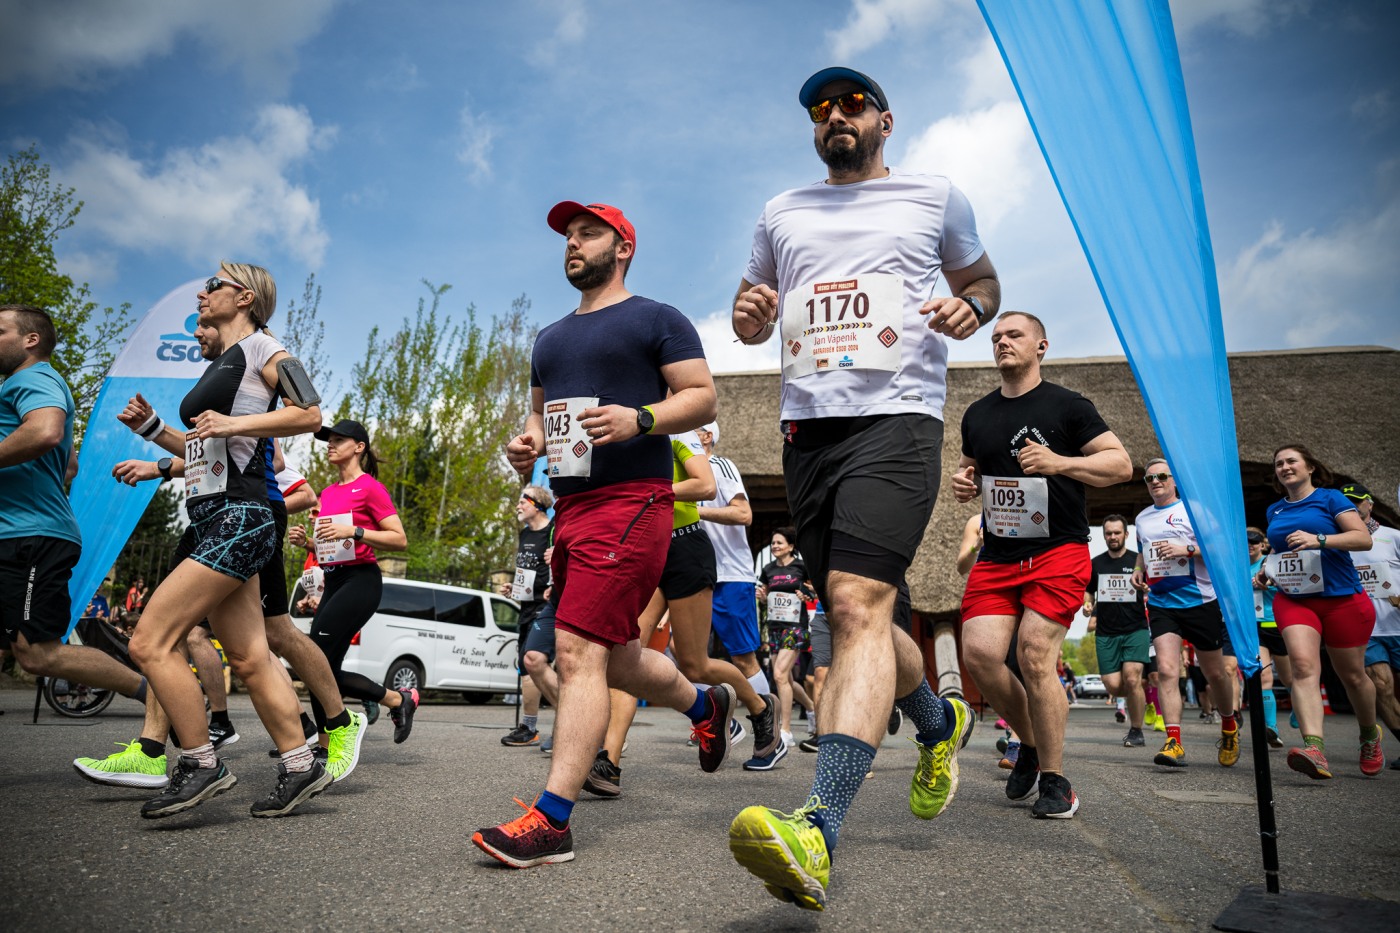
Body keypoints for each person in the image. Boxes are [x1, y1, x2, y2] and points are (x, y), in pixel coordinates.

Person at [726, 67, 991, 910]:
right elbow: (750, 304)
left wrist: (970, 310)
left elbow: (982, 282)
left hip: (897, 418)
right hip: (808, 431)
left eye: (850, 104)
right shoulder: (782, 210)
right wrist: (749, 316)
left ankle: (819, 825)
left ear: (884, 119)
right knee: (872, 612)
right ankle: (936, 719)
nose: (834, 116)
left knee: (854, 604)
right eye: (819, 108)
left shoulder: (935, 194)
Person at [473, 200, 725, 869]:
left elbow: (701, 396)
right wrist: (524, 447)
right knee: (614, 655)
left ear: (624, 247)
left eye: (589, 233)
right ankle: (704, 703)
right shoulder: (549, 339)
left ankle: (552, 820)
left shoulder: (656, 318)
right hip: (572, 506)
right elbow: (537, 418)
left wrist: (640, 418)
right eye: (567, 235)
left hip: (634, 502)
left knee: (577, 649)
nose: (573, 243)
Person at [119, 264, 331, 818]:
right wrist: (154, 446)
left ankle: (200, 762)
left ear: (242, 297)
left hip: (240, 517)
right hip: (221, 513)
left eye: (211, 286)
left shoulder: (265, 349)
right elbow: (208, 452)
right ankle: (301, 763)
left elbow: (310, 413)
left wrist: (232, 427)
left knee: (150, 641)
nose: (201, 293)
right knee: (248, 654)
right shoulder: (226, 364)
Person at [955, 311, 1132, 819]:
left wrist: (1060, 463)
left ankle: (1056, 780)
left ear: (1041, 346)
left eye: (1013, 335)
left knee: (1034, 655)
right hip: (999, 553)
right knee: (982, 656)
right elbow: (973, 471)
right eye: (996, 337)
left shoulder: (1068, 406)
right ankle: (1029, 744)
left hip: (1057, 550)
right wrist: (964, 483)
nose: (1002, 342)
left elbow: (1120, 464)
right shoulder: (978, 413)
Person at [0, 305, 153, 719]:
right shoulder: (24, 385)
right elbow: (69, 466)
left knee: (39, 654)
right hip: (18, 531)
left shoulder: (33, 377)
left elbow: (47, 431)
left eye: (0, 331)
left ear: (30, 340)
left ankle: (159, 696)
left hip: (30, 537)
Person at [288, 419, 416, 746]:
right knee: (319, 666)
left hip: (361, 581)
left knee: (314, 658)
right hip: (334, 579)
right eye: (328, 440)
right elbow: (335, 547)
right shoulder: (329, 493)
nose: (330, 444)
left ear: (359, 447)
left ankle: (394, 700)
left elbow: (399, 539)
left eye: (339, 440)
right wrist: (309, 544)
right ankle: (327, 743)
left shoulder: (371, 488)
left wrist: (356, 531)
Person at [1261, 448, 1382, 777]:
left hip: (1341, 598)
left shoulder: (1330, 499)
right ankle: (1314, 748)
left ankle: (1370, 735)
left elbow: (1362, 539)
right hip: (1295, 598)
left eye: (1291, 462)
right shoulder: (1275, 510)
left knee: (1353, 676)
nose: (1284, 467)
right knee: (1302, 666)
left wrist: (1320, 539)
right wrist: (1269, 570)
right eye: (1279, 464)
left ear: (1310, 467)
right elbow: (1281, 551)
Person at [1131, 458, 1242, 770]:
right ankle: (1174, 741)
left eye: (1162, 476)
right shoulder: (1142, 518)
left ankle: (1229, 724)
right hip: (1162, 601)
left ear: (1174, 479)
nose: (1155, 482)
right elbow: (1143, 548)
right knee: (1166, 670)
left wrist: (1187, 551)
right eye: (1149, 478)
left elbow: (1222, 551)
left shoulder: (1195, 510)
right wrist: (1138, 569)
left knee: (1215, 674)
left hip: (1200, 600)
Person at [696, 421, 783, 767]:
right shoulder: (680, 472)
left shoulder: (720, 466)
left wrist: (695, 509)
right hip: (698, 574)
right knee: (682, 654)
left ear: (706, 436)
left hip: (731, 576)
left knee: (743, 659)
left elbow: (744, 514)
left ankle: (768, 730)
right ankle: (725, 723)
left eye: (693, 429)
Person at [1343, 483, 1400, 770]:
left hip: (1398, 624)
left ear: (1370, 504)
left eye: (1356, 501)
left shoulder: (1393, 537)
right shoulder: (1338, 542)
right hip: (1369, 628)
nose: (1351, 506)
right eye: (1346, 502)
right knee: (1381, 686)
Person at [1086, 515, 1150, 747]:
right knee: (1114, 685)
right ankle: (1140, 697)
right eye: (1108, 533)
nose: (1113, 537)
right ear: (1104, 535)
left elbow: (1151, 587)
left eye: (1117, 533)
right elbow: (1088, 591)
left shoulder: (1137, 561)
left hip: (1135, 629)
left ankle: (1136, 730)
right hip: (1106, 632)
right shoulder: (1096, 563)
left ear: (1126, 534)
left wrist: (1146, 588)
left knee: (1132, 678)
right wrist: (1086, 604)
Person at [500, 486, 556, 748]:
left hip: (547, 606)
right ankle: (530, 728)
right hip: (526, 605)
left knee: (536, 664)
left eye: (523, 501)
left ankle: (564, 725)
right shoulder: (524, 534)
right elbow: (526, 571)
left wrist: (553, 585)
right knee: (526, 667)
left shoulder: (553, 529)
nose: (518, 506)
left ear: (538, 505)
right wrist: (515, 587)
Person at [756, 527, 816, 752]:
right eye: (773, 543)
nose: (775, 547)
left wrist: (806, 594)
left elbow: (814, 592)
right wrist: (763, 598)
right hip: (774, 628)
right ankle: (810, 707)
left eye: (779, 543)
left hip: (795, 628)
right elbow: (766, 599)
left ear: (791, 546)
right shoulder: (768, 570)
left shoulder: (801, 567)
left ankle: (786, 731)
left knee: (780, 675)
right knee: (786, 679)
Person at [1248, 526, 1289, 748]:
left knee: (1290, 677)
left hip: (1277, 623)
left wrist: (1269, 582)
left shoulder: (1271, 560)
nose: (1249, 546)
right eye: (1245, 542)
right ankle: (1271, 728)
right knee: (1264, 677)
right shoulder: (1237, 565)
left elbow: (1290, 582)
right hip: (1255, 625)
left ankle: (1297, 712)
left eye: (1254, 542)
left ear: (1263, 544)